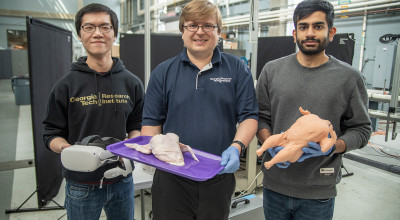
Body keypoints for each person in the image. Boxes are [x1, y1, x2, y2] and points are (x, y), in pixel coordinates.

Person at [140, 0, 258, 219]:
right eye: (192, 25)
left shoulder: (238, 69)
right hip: (171, 180)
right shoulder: (162, 72)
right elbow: (150, 124)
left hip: (217, 177)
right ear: (182, 31)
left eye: (208, 26)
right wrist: (155, 151)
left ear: (218, 31)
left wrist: (237, 147)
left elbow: (249, 116)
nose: (200, 32)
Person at [256, 0, 371, 219]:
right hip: (275, 187)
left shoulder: (349, 77)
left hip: (318, 190)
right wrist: (269, 142)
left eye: (318, 26)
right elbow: (261, 117)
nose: (310, 33)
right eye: (303, 26)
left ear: (331, 32)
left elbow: (362, 130)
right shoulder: (272, 71)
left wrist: (332, 147)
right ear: (294, 33)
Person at [42, 3, 144, 220]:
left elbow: (136, 126)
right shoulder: (65, 86)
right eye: (89, 27)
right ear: (80, 34)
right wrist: (69, 150)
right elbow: (50, 134)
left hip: (122, 180)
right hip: (81, 184)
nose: (97, 33)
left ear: (114, 33)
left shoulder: (132, 83)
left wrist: (131, 145)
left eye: (105, 27)